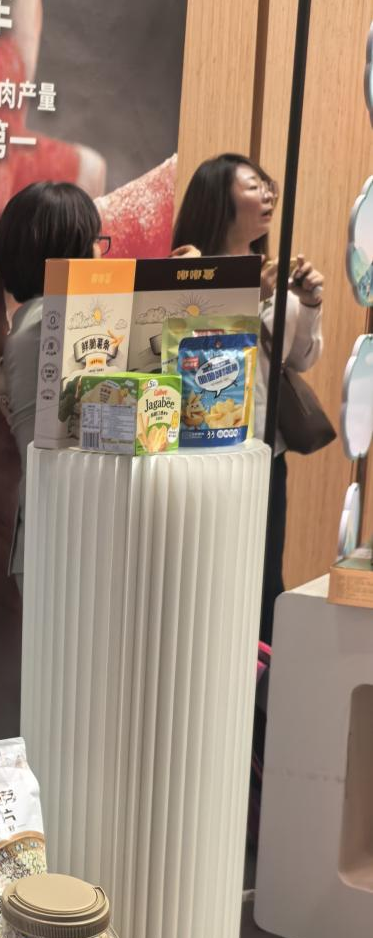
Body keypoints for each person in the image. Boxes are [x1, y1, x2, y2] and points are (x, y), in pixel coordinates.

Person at [171, 153, 324, 642]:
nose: (268, 195)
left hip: (264, 451)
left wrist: (310, 304)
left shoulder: (276, 276)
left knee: (263, 583)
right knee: (207, 585)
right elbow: (178, 354)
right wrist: (246, 295)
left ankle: (259, 690)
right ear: (220, 200)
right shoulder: (188, 268)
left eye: (268, 186)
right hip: (203, 457)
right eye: (254, 186)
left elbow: (300, 360)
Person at [0, 180, 105, 581]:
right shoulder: (51, 324)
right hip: (65, 546)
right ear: (71, 252)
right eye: (94, 242)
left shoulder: (34, 322)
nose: (101, 253)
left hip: (60, 536)